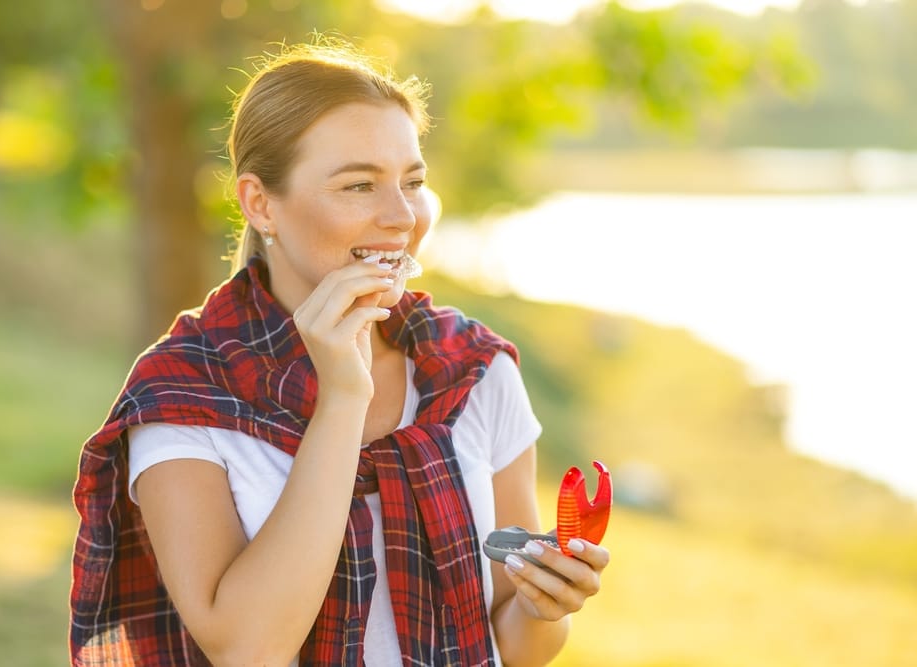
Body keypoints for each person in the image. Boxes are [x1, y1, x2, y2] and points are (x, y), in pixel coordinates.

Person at [69, 40, 610, 667]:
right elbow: (249, 649)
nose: (402, 217)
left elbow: (514, 645)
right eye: (359, 185)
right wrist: (343, 397)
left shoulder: (474, 368)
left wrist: (543, 605)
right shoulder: (185, 390)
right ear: (260, 203)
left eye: (413, 182)